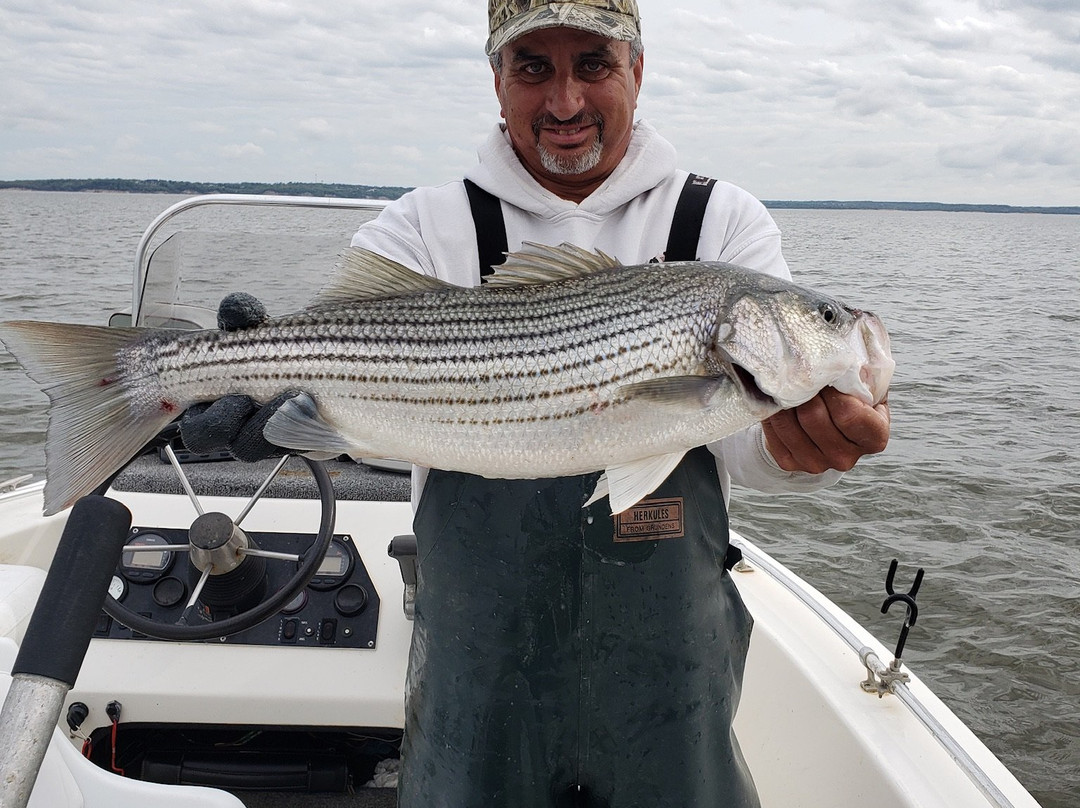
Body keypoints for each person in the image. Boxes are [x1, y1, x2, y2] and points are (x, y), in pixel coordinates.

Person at [183, 1, 890, 805]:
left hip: (670, 673)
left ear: (637, 70)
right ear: (496, 80)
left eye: (593, 63)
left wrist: (806, 449)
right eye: (533, 68)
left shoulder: (718, 222)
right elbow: (387, 426)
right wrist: (289, 418)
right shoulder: (422, 226)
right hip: (478, 667)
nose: (564, 103)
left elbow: (746, 452)